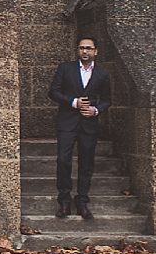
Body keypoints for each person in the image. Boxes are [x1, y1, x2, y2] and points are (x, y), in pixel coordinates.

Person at [46, 35, 111, 221]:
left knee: (86, 163)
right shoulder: (65, 69)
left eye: (89, 48)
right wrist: (73, 102)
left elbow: (107, 100)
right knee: (63, 160)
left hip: (89, 124)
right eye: (82, 48)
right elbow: (53, 91)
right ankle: (64, 200)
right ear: (78, 50)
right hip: (67, 122)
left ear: (95, 51)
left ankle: (82, 200)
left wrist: (96, 110)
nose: (85, 51)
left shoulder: (102, 74)